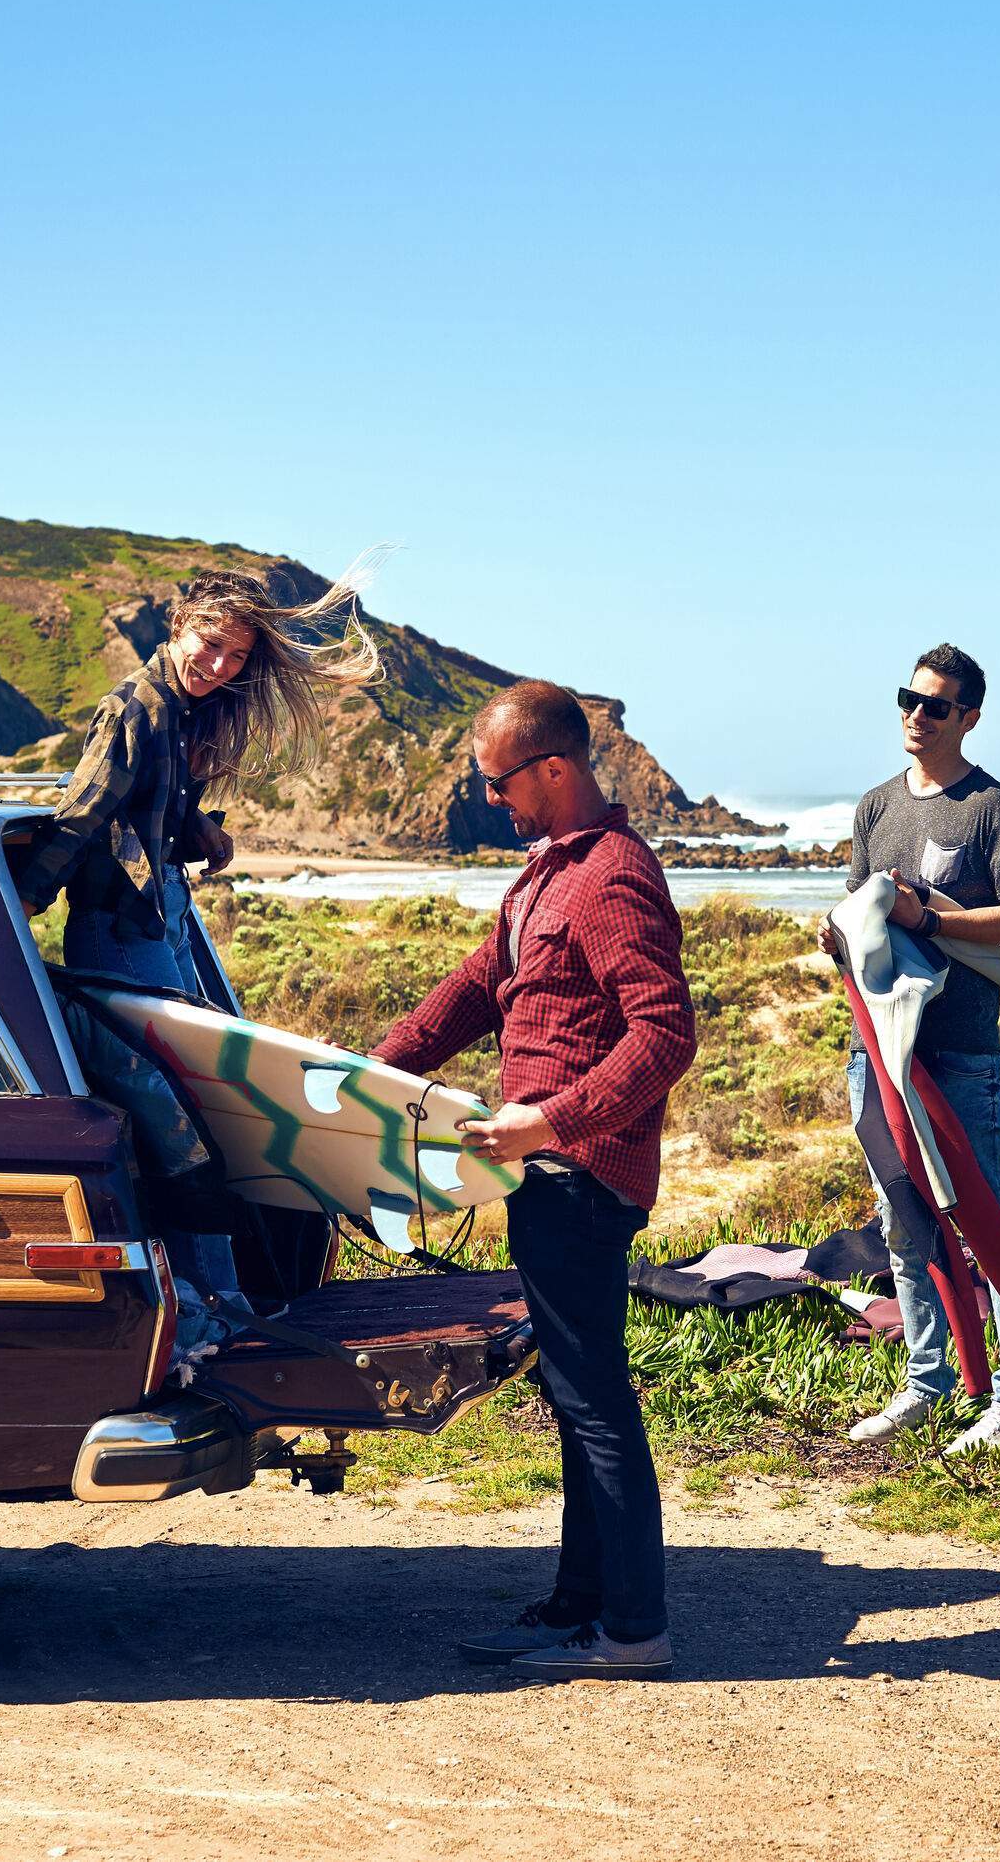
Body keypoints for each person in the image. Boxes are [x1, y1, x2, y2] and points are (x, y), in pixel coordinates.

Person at [372, 681, 695, 1680]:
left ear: (552, 769)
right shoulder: (543, 876)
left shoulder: (608, 879)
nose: (490, 799)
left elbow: (665, 1033)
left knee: (592, 1393)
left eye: (498, 782)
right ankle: (579, 1604)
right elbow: (478, 987)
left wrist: (552, 1121)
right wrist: (370, 1078)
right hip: (546, 1170)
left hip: (578, 1172)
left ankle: (632, 1629)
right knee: (574, 1387)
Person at [19, 564, 377, 1323]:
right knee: (175, 1116)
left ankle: (230, 1290)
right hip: (121, 929)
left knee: (204, 1098)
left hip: (162, 916)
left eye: (236, 657)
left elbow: (143, 807)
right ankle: (211, 1300)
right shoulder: (133, 711)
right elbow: (82, 816)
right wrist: (22, 899)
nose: (218, 665)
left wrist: (197, 829)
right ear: (177, 624)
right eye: (210, 645)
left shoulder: (179, 711)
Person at [820, 642, 1000, 1458]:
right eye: (908, 700)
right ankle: (928, 1384)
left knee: (989, 1226)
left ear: (970, 717)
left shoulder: (992, 808)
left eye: (937, 706)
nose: (917, 716)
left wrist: (932, 920)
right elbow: (862, 909)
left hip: (957, 1055)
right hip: (876, 1053)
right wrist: (842, 937)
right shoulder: (877, 806)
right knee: (904, 1225)